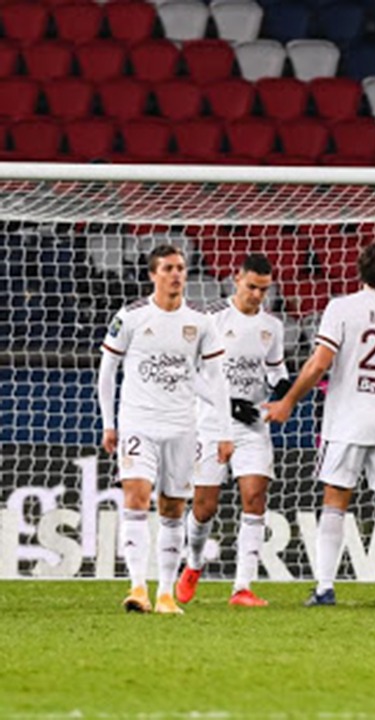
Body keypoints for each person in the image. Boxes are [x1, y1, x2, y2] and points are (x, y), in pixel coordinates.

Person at [264, 239, 375, 607]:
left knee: (335, 499)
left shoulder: (343, 307)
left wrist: (288, 401)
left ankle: (325, 587)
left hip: (349, 419)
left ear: (361, 268)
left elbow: (319, 363)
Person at [98, 244, 233, 615]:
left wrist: (224, 431)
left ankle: (166, 594)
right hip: (138, 422)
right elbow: (107, 370)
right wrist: (109, 423)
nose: (176, 274)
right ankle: (137, 587)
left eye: (180, 268)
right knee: (136, 497)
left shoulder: (201, 322)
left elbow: (215, 380)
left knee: (173, 507)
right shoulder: (131, 316)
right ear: (152, 275)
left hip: (182, 426)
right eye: (168, 268)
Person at [175, 254, 289, 608]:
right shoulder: (210, 318)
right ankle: (193, 564)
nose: (257, 295)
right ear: (236, 279)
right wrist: (227, 403)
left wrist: (285, 389)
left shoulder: (272, 326)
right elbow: (189, 371)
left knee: (255, 497)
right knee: (204, 507)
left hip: (252, 425)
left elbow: (275, 370)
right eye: (252, 287)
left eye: (264, 290)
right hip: (211, 423)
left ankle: (242, 587)